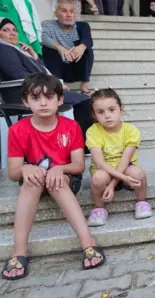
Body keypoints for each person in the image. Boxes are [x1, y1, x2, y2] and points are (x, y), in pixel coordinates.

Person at [2, 74, 105, 281]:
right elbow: (13, 173)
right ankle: (19, 251)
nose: (42, 103)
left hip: (65, 179)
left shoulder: (71, 127)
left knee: (57, 182)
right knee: (30, 185)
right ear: (25, 102)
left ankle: (87, 241)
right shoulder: (17, 130)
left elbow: (78, 166)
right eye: (35, 98)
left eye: (49, 97)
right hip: (34, 180)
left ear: (60, 100)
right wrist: (25, 169)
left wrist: (60, 169)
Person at [0, 18, 94, 152]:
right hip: (26, 93)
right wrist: (55, 85)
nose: (12, 33)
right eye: (5, 30)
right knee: (83, 101)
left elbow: (42, 71)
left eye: (14, 30)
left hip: (39, 90)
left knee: (84, 100)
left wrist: (34, 57)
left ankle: (77, 146)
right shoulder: (3, 49)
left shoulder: (17, 50)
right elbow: (19, 75)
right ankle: (80, 148)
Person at [86, 89, 152, 226]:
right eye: (101, 112)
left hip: (125, 168)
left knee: (137, 173)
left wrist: (113, 184)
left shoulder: (131, 131)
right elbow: (99, 163)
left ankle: (142, 202)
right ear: (94, 114)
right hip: (104, 170)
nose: (107, 116)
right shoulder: (93, 131)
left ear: (121, 109)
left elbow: (125, 160)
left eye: (111, 110)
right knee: (99, 178)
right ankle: (99, 208)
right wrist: (117, 180)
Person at [41, 0, 95, 95]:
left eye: (71, 11)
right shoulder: (47, 24)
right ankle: (58, 83)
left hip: (76, 64)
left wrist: (81, 47)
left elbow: (88, 39)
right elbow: (43, 38)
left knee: (87, 48)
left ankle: (84, 86)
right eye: (64, 11)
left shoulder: (82, 25)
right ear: (55, 13)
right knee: (47, 49)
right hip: (59, 66)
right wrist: (60, 48)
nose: (69, 15)